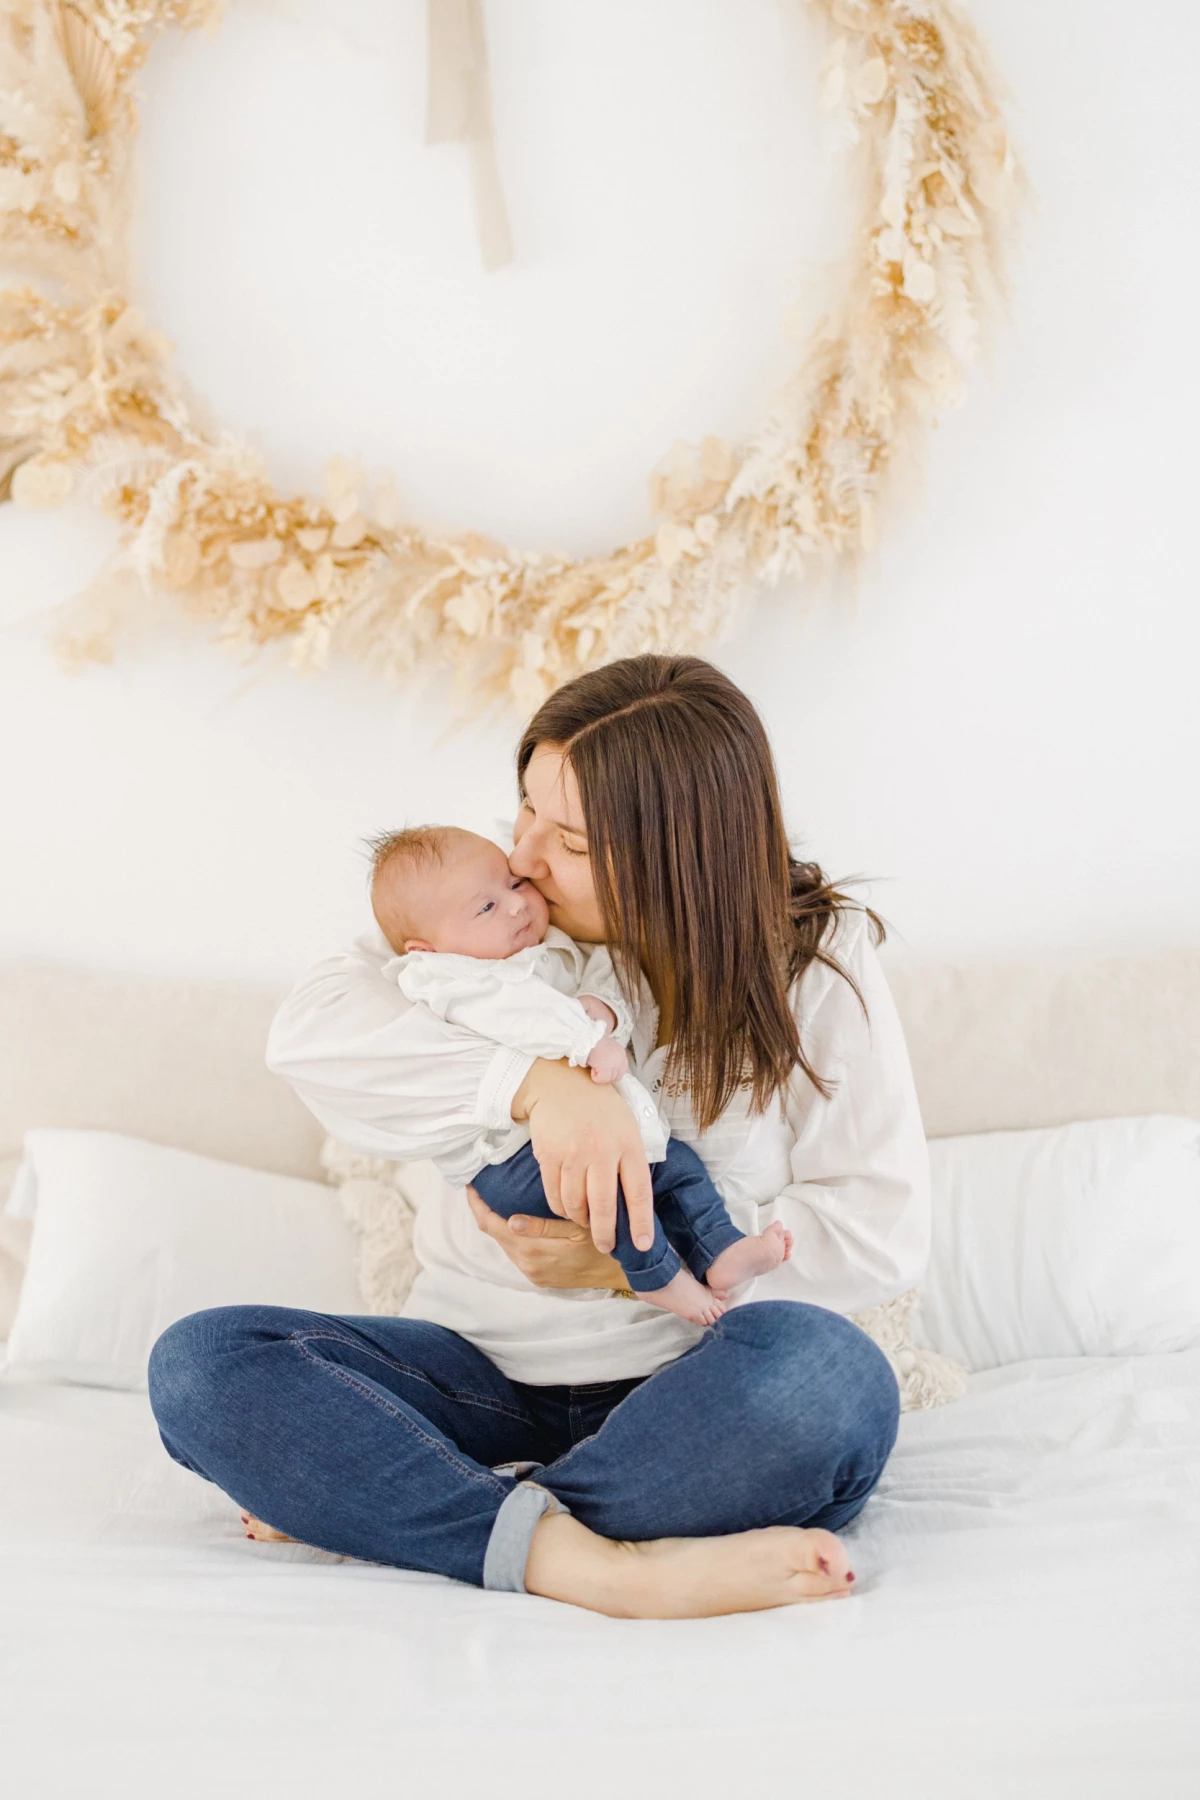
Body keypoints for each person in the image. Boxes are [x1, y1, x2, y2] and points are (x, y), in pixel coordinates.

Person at [147, 654, 930, 1619]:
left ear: (680, 853)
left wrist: (624, 1264)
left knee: (826, 1382)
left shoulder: (816, 961)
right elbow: (310, 1036)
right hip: (475, 1383)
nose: (521, 855)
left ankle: (413, 1505)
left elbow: (881, 1228)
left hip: (684, 1394)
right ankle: (602, 1566)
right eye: (523, 808)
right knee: (205, 1365)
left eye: (569, 839)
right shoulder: (489, 924)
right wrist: (541, 1089)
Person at [368, 823, 792, 1325]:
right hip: (511, 1162)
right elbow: (517, 1015)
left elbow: (606, 977)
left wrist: (605, 1011)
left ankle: (721, 1250)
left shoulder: (541, 942)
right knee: (611, 1192)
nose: (517, 902)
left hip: (607, 1135)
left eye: (513, 883)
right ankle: (656, 1277)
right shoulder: (448, 979)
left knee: (677, 1165)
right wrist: (586, 1039)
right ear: (426, 948)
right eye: (487, 907)